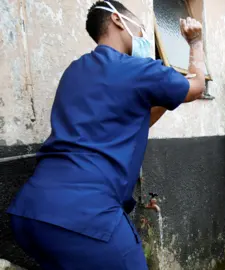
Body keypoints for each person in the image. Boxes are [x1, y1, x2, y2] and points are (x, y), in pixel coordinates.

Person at [6, 1, 206, 269]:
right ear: (117, 20)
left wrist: (164, 99)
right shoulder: (138, 70)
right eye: (141, 29)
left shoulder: (74, 71)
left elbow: (136, 121)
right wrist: (195, 42)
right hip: (86, 217)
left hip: (29, 214)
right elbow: (197, 87)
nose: (143, 37)